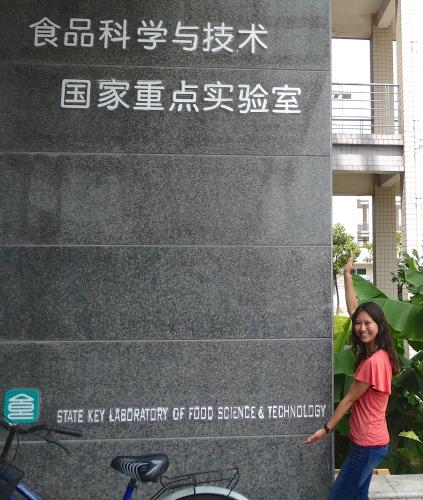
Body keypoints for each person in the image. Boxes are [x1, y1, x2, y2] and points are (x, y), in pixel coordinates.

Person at [305, 255, 400, 500]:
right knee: (358, 497)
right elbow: (353, 310)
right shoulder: (378, 353)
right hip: (370, 443)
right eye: (358, 324)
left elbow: (347, 400)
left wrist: (325, 429)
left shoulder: (374, 362)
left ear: (379, 325)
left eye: (368, 323)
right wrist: (348, 275)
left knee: (338, 497)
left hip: (367, 445)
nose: (361, 327)